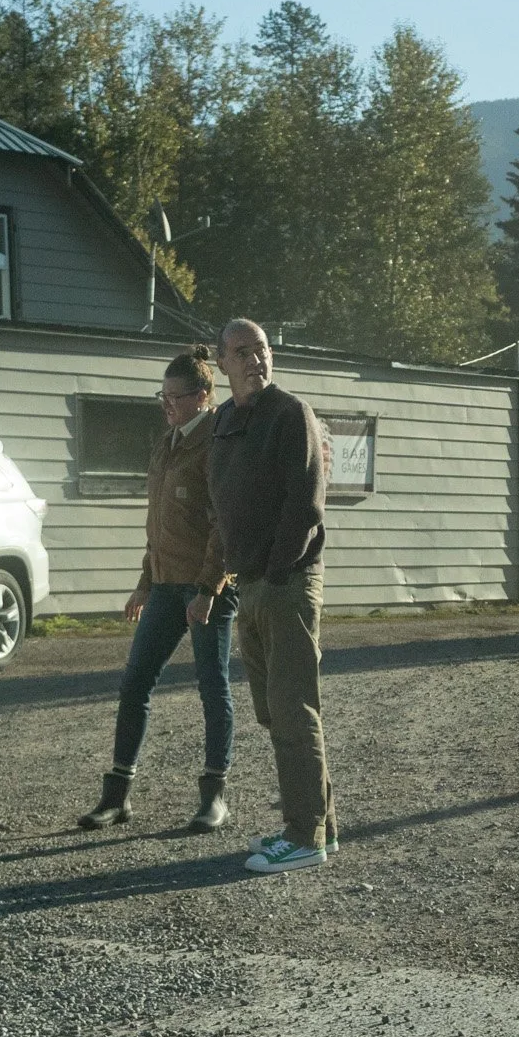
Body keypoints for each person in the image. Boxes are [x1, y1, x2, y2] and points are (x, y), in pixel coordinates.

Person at [78, 345, 238, 833]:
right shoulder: (166, 443)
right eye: (162, 395)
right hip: (166, 585)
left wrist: (208, 589)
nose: (166, 404)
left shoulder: (217, 443)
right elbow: (159, 525)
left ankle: (214, 796)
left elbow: (224, 525)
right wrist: (145, 583)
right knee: (135, 683)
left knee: (212, 686)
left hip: (207, 589)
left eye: (176, 396)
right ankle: (117, 797)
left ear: (203, 395)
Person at [208, 317, 337, 873]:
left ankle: (303, 837)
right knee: (272, 710)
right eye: (241, 352)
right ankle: (323, 826)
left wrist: (279, 570)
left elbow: (306, 503)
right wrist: (225, 574)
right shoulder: (222, 422)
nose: (255, 359)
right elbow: (221, 506)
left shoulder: (290, 413)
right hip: (250, 584)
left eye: (260, 349)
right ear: (222, 363)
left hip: (287, 582)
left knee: (292, 709)